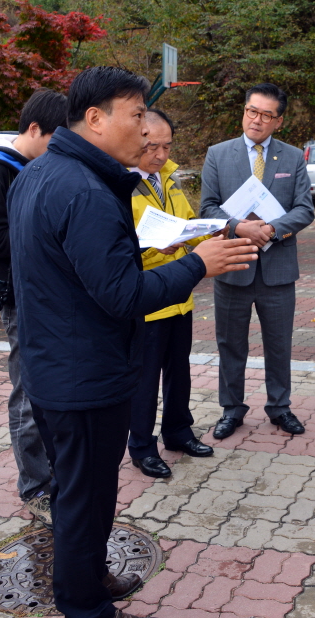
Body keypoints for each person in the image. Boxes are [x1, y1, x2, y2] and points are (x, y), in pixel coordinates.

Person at [7, 66, 258, 618]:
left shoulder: (40, 172)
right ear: (95, 119)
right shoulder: (86, 190)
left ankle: (90, 575)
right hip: (84, 377)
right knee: (83, 498)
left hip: (55, 368)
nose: (147, 131)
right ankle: (83, 605)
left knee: (87, 494)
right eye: (137, 115)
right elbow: (123, 294)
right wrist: (198, 264)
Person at [0, 89, 68, 529]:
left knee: (47, 388)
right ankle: (34, 487)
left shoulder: (35, 164)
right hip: (20, 297)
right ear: (32, 130)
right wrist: (48, 242)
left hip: (46, 293)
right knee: (27, 393)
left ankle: (52, 472)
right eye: (55, 141)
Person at [199, 82, 315, 438]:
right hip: (232, 264)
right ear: (244, 111)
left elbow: (304, 209)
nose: (257, 120)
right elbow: (207, 207)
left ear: (279, 121)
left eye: (267, 115)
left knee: (279, 344)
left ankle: (280, 408)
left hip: (277, 269)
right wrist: (239, 228)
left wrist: (273, 229)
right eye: (252, 111)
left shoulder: (293, 157)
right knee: (230, 344)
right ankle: (231, 409)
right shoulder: (218, 154)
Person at [127, 108, 216, 479]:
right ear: (136, 138)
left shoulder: (169, 178)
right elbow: (121, 244)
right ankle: (141, 447)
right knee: (145, 379)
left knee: (179, 372)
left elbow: (185, 222)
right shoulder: (120, 182)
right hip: (147, 298)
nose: (161, 155)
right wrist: (151, 249)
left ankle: (178, 432)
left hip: (180, 294)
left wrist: (212, 233)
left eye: (167, 146)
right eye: (153, 146)